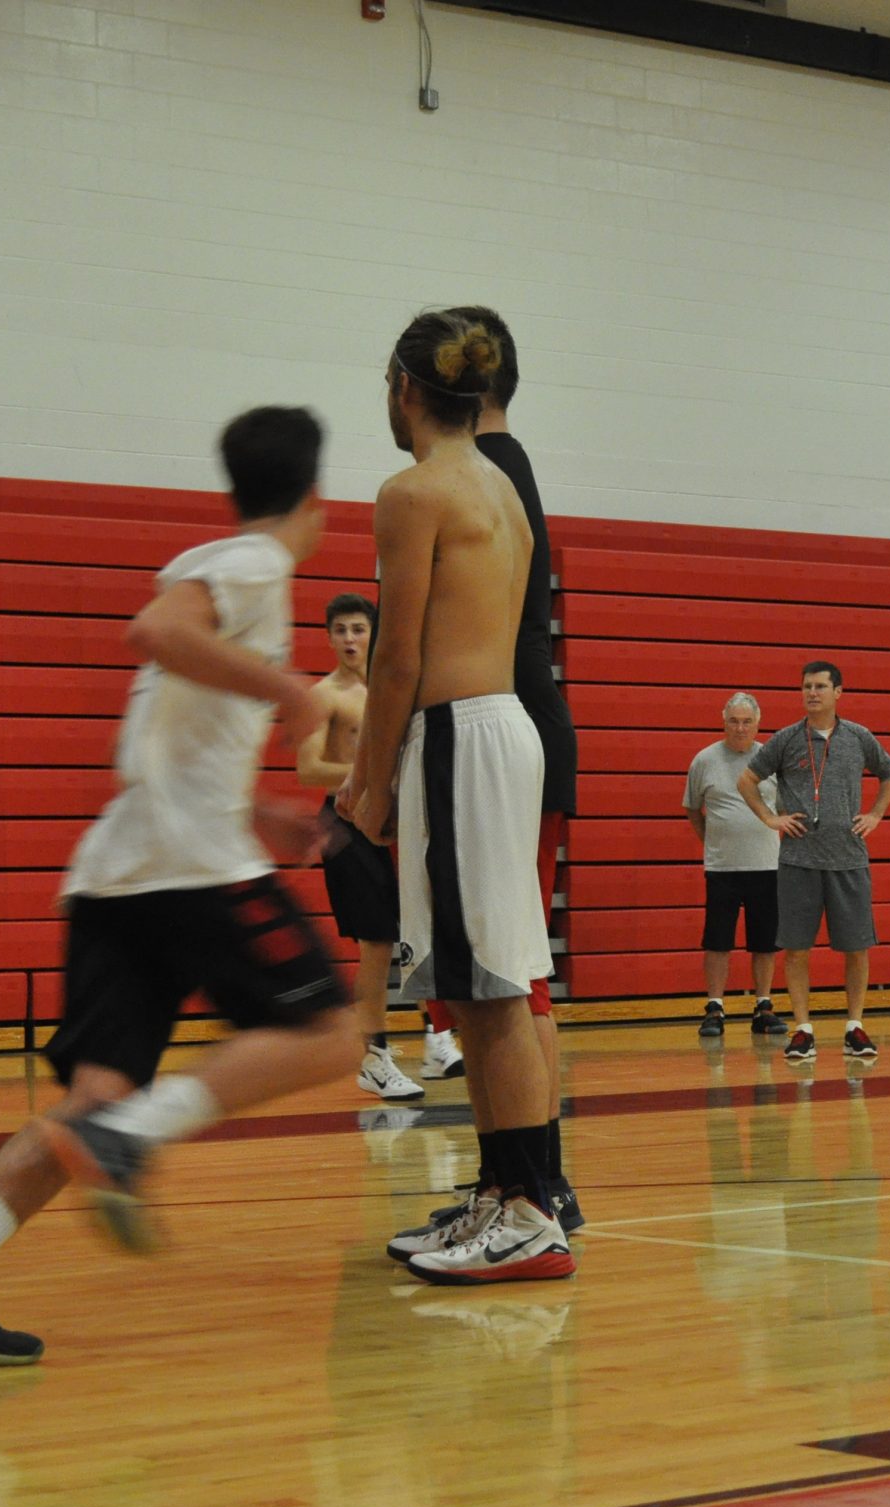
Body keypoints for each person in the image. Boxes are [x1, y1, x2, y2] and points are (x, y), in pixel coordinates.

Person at [0, 406, 363, 1365]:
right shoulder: (259, 566)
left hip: (119, 869)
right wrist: (292, 692)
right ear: (316, 498)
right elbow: (154, 631)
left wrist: (256, 812)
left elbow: (138, 736)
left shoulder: (207, 560)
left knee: (91, 1099)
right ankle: (138, 1136)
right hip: (185, 867)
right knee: (332, 1031)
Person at [341, 308, 572, 1286]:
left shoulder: (412, 490)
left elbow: (395, 659)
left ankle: (528, 1211)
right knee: (488, 984)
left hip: (457, 737)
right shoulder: (502, 488)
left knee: (487, 988)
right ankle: (508, 1187)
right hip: (498, 730)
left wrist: (364, 784)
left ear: (404, 388)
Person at [300, 591, 454, 1102]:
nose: (349, 638)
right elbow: (308, 768)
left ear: (374, 634)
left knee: (419, 930)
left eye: (358, 629)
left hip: (396, 820)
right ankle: (374, 1056)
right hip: (347, 824)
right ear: (328, 637)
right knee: (377, 942)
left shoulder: (395, 694)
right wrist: (373, 773)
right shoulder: (324, 696)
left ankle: (436, 1037)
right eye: (340, 630)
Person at [741, 660, 890, 1064]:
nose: (812, 693)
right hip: (799, 861)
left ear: (838, 692)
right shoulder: (786, 739)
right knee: (796, 949)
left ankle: (854, 1027)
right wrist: (769, 818)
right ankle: (802, 1030)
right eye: (806, 686)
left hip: (848, 859)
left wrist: (876, 814)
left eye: (820, 686)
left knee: (857, 947)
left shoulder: (859, 737)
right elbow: (747, 781)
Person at [684, 692, 783, 1039]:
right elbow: (693, 809)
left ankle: (764, 1006)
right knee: (717, 941)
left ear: (757, 723)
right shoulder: (704, 760)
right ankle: (715, 1007)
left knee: (765, 942)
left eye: (747, 722)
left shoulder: (772, 759)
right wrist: (713, 843)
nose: (740, 728)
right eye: (734, 721)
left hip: (767, 866)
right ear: (723, 721)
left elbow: (782, 810)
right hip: (722, 868)